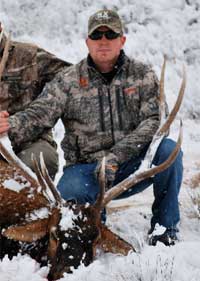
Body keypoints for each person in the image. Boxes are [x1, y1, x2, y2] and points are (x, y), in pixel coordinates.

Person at [0, 10, 183, 246]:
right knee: (68, 193)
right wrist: (10, 124)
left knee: (169, 151)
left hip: (132, 165)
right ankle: (95, 228)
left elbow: (156, 121)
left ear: (122, 40)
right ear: (87, 42)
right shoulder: (67, 81)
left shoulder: (143, 75)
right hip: (86, 171)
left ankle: (164, 229)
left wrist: (116, 156)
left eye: (111, 34)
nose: (103, 41)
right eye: (97, 36)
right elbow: (40, 113)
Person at [0, 22, 71, 179]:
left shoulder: (28, 56)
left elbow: (73, 81)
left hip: (28, 143)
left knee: (37, 163)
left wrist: (30, 116)